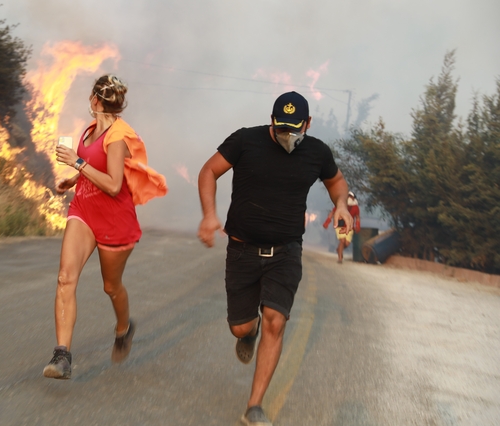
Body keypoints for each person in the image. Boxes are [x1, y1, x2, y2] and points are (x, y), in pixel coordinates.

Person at [197, 91, 352, 425]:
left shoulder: (317, 152)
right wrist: (209, 215)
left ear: (307, 124)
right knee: (240, 327)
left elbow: (336, 181)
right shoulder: (245, 140)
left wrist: (340, 204)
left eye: (295, 129)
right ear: (272, 121)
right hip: (242, 250)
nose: (287, 135)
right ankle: (247, 335)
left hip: (285, 252)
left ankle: (254, 405)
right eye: (281, 128)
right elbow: (208, 171)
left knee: (275, 321)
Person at [43, 75, 167, 379]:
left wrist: (76, 165)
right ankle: (62, 356)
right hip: (84, 209)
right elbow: (92, 167)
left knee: (111, 286)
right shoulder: (90, 130)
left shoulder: (118, 136)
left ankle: (124, 328)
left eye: (91, 96)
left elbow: (113, 185)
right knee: (65, 278)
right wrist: (73, 180)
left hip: (115, 221)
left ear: (95, 100)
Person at [323, 191, 361, 263]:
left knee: (346, 244)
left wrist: (358, 225)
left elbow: (357, 217)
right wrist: (327, 222)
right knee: (342, 241)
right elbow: (332, 213)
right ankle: (340, 258)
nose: (349, 198)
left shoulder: (356, 208)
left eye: (351, 196)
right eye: (348, 196)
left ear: (353, 198)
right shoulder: (340, 205)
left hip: (349, 227)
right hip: (340, 226)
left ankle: (339, 249)